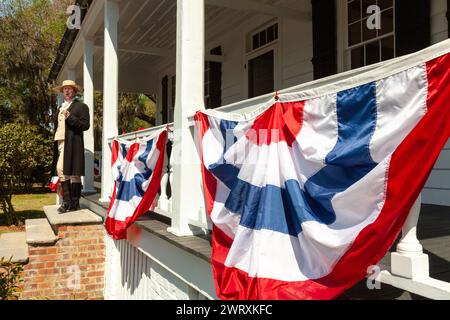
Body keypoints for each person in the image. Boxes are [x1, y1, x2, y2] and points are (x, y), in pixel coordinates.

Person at [50, 80, 90, 213]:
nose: (67, 91)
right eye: (65, 89)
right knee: (62, 170)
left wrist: (70, 117)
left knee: (74, 174)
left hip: (73, 142)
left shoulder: (81, 107)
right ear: (62, 92)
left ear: (75, 91)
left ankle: (72, 203)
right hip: (60, 142)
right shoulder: (60, 107)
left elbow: (85, 125)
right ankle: (69, 202)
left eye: (70, 89)